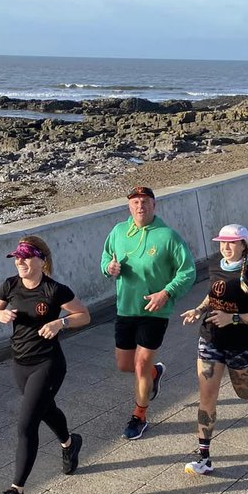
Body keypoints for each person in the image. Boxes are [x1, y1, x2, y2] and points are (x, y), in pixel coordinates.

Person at [0, 236, 90, 494]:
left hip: (48, 364)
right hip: (20, 363)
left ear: (42, 259)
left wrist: (60, 322)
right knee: (45, 410)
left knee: (26, 424)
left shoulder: (54, 290)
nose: (20, 261)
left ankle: (15, 491)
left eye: (26, 256)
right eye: (17, 257)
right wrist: (0, 315)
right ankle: (69, 442)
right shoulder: (10, 285)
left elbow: (84, 315)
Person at [100, 186, 196, 440]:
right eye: (134, 202)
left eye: (144, 201)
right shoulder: (119, 231)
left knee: (141, 362)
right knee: (125, 365)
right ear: (129, 207)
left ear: (154, 205)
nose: (139, 206)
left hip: (156, 311)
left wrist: (166, 293)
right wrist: (108, 268)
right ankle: (155, 373)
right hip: (125, 308)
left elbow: (187, 271)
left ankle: (139, 415)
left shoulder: (168, 236)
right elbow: (105, 258)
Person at [181, 225, 248, 474]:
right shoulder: (215, 264)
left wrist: (232, 318)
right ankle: (203, 457)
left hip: (241, 344)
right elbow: (213, 294)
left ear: (244, 245)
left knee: (243, 390)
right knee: (207, 396)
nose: (226, 247)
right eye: (222, 242)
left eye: (232, 242)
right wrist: (198, 310)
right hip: (210, 338)